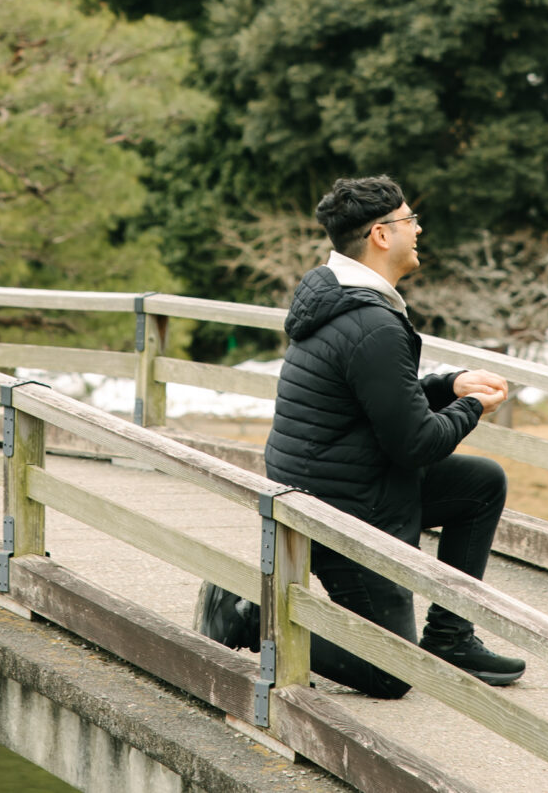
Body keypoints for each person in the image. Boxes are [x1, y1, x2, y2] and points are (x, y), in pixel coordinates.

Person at [195, 175, 526, 694]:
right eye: (410, 220)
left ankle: (451, 636)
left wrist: (447, 385)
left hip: (338, 485)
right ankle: (248, 614)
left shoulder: (342, 296)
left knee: (480, 483)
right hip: (341, 512)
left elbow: (379, 399)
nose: (418, 229)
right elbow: (415, 443)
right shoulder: (371, 322)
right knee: (390, 674)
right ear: (380, 234)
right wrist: (472, 406)